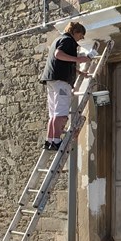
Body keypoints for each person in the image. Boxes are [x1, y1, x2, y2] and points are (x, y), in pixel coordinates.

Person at [40, 22, 91, 150]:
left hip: (52, 80)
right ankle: (56, 141)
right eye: (81, 35)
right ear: (76, 32)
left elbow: (61, 62)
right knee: (61, 114)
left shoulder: (58, 39)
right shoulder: (68, 40)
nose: (81, 38)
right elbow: (58, 54)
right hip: (61, 82)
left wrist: (79, 72)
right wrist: (78, 59)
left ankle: (49, 141)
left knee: (53, 113)